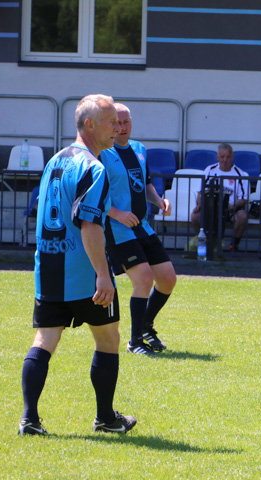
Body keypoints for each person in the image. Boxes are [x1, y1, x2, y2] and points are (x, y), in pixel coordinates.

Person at [18, 94, 137, 436]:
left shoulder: (55, 161)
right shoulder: (94, 168)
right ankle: (105, 418)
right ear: (90, 125)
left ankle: (30, 419)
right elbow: (89, 224)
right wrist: (104, 274)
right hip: (84, 271)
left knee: (45, 340)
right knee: (108, 339)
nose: (118, 128)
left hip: (49, 267)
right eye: (111, 122)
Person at [101, 103, 177, 356]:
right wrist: (117, 213)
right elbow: (91, 196)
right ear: (109, 124)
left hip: (142, 226)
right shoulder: (101, 153)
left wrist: (159, 200)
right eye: (116, 123)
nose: (121, 128)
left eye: (126, 122)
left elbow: (144, 184)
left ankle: (146, 327)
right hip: (117, 229)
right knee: (144, 278)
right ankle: (135, 342)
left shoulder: (139, 149)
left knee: (167, 279)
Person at [193, 143, 249, 252]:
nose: (225, 160)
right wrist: (199, 204)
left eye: (228, 157)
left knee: (242, 216)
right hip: (210, 207)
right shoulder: (209, 170)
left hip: (230, 209)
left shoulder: (240, 174)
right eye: (222, 157)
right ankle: (204, 243)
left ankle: (234, 245)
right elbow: (201, 191)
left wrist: (233, 206)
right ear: (218, 157)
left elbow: (243, 199)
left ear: (232, 157)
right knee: (195, 217)